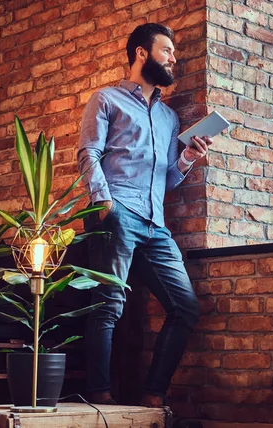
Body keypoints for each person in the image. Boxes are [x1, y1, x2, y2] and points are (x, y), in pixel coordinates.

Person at [77, 23, 213, 407]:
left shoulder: (170, 119)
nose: (173, 58)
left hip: (155, 224)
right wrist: (105, 204)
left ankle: (153, 395)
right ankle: (100, 397)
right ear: (141, 53)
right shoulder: (106, 99)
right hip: (116, 211)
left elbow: (167, 178)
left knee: (185, 308)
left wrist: (187, 157)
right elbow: (88, 153)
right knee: (108, 305)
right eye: (167, 50)